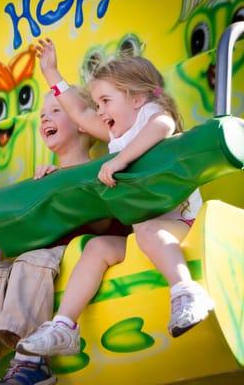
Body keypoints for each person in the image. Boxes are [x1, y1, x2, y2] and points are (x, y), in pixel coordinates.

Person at [16, 39, 214, 358]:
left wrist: (121, 161)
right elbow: (79, 113)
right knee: (97, 248)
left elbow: (162, 126)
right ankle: (64, 326)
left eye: (106, 100)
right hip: (144, 233)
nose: (100, 111)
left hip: (184, 223)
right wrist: (52, 74)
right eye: (98, 103)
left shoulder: (151, 114)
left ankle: (187, 292)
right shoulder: (116, 134)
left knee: (149, 229)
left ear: (136, 97)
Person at [0, 91, 129, 385]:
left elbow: (101, 223)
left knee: (31, 259)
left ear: (82, 123)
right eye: (42, 113)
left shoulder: (103, 169)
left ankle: (32, 361)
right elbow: (23, 225)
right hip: (41, 257)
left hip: (74, 255)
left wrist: (59, 188)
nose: (45, 117)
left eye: (57, 111)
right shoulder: (43, 177)